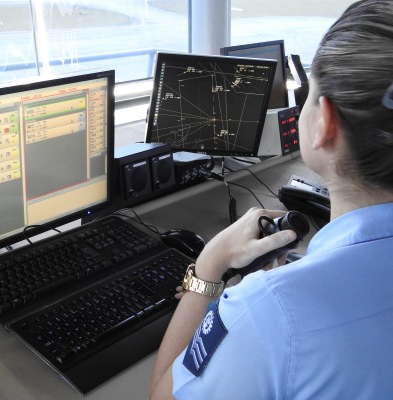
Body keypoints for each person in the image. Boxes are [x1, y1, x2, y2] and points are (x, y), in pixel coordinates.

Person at [149, 0, 393, 398]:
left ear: (325, 124)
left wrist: (209, 268)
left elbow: (162, 395)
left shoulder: (271, 309)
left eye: (309, 95)